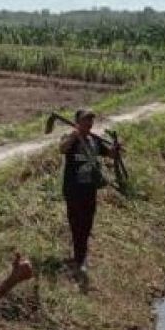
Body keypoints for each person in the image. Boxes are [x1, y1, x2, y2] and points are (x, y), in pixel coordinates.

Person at [59, 108, 121, 282]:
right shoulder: (70, 139)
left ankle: (81, 255)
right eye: (86, 120)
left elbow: (110, 154)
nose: (89, 123)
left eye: (91, 121)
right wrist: (74, 135)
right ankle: (80, 258)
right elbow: (62, 149)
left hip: (89, 189)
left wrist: (115, 150)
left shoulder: (94, 141)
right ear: (78, 122)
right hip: (73, 189)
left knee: (87, 223)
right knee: (76, 222)